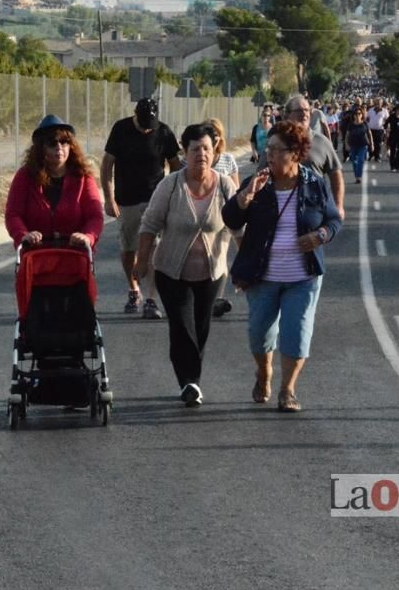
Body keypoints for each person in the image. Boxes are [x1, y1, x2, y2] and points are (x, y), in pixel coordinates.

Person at [223, 121, 343, 412]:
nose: (270, 155)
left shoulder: (314, 184)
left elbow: (333, 220)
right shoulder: (258, 183)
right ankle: (264, 373)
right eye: (269, 149)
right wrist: (244, 197)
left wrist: (321, 235)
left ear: (296, 153)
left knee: (297, 332)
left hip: (303, 276)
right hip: (263, 275)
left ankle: (288, 389)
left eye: (278, 150)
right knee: (259, 333)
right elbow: (231, 219)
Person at [134, 124, 237, 407]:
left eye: (206, 148)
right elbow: (149, 224)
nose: (201, 154)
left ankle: (193, 379)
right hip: (171, 271)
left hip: (210, 272)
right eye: (195, 149)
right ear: (184, 152)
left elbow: (239, 228)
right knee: (181, 325)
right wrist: (141, 261)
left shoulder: (226, 185)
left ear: (214, 151)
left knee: (201, 327)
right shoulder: (170, 185)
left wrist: (247, 266)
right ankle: (189, 382)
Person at [101, 98, 182, 318]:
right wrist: (109, 199)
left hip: (155, 198)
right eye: (144, 122)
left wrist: (174, 194)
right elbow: (107, 164)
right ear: (135, 115)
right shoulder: (121, 129)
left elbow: (175, 164)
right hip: (126, 199)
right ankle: (133, 288)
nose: (147, 128)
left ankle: (151, 299)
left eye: (151, 124)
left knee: (154, 248)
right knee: (129, 249)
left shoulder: (163, 133)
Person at [5, 115, 103, 250]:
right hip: (35, 258)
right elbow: (13, 214)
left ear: (71, 146)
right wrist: (23, 235)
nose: (59, 147)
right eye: (52, 142)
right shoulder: (25, 176)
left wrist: (87, 236)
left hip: (75, 257)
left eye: (64, 142)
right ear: (41, 147)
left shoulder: (84, 178)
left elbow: (95, 216)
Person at [258, 95, 345, 219]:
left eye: (307, 110)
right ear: (286, 115)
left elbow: (336, 174)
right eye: (299, 111)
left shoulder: (322, 142)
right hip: (279, 209)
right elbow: (260, 173)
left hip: (314, 213)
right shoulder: (274, 142)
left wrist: (338, 205)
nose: (305, 114)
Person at [205, 117, 241, 319]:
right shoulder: (195, 157)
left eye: (216, 133)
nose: (214, 137)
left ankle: (215, 299)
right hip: (199, 218)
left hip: (223, 218)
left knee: (219, 257)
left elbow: (235, 192)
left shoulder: (228, 160)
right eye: (209, 132)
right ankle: (201, 298)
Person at [344, 107, 373, 184]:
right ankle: (357, 176)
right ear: (353, 115)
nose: (357, 115)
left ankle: (359, 177)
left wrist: (372, 144)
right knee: (354, 162)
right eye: (356, 114)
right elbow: (347, 135)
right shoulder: (351, 125)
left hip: (363, 145)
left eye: (359, 114)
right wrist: (346, 144)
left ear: (362, 115)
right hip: (353, 145)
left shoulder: (365, 123)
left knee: (360, 160)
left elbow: (369, 133)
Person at [385, 102, 399, 173]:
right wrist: (387, 128)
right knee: (393, 151)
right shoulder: (392, 116)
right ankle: (392, 166)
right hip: (393, 136)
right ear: (396, 109)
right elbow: (385, 124)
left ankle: (398, 166)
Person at [366, 98, 389, 162]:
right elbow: (367, 118)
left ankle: (377, 157)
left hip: (380, 130)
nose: (378, 104)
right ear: (374, 103)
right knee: (370, 143)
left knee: (378, 144)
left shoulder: (385, 111)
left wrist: (386, 128)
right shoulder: (370, 110)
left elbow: (388, 120)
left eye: (379, 103)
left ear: (381, 103)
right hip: (371, 129)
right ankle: (371, 155)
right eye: (376, 103)